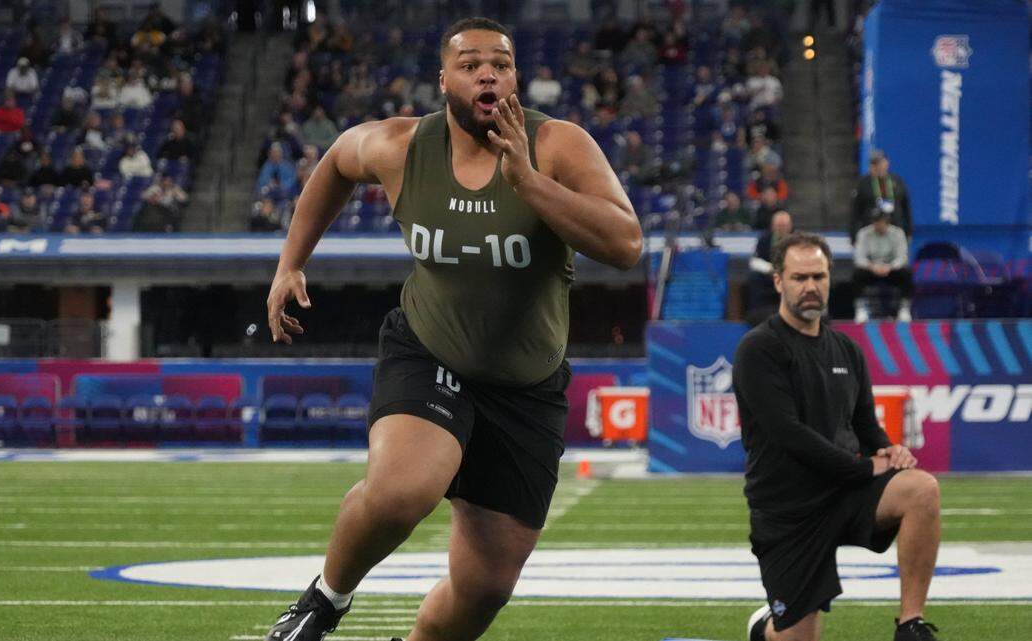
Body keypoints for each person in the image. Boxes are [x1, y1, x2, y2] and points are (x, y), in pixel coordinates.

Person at [262, 17, 641, 641]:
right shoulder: (402, 146)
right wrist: (290, 263)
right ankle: (323, 601)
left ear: (516, 78)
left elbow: (626, 245)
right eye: (471, 64)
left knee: (486, 587)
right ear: (444, 80)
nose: (488, 72)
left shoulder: (559, 146)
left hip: (526, 386)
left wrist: (528, 183)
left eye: (501, 62)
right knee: (400, 492)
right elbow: (335, 164)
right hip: (431, 349)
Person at [735, 231, 942, 641]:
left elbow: (864, 423)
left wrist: (888, 449)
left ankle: (910, 625)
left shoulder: (847, 350)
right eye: (799, 278)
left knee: (921, 490)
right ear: (778, 281)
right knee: (797, 638)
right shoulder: (759, 349)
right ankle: (765, 630)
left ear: (831, 278)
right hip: (788, 509)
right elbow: (788, 434)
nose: (811, 286)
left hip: (845, 493)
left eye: (819, 276)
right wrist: (865, 467)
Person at [853, 210, 913, 323]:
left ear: (887, 222)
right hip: (872, 269)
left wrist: (889, 267)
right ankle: (861, 308)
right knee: (857, 274)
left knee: (907, 273)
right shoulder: (864, 233)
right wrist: (872, 266)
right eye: (875, 222)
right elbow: (859, 258)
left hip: (891, 270)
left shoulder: (898, 233)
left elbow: (902, 257)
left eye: (880, 222)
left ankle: (904, 309)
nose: (878, 225)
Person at [851, 150, 912, 242]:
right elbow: (855, 212)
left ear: (887, 163)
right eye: (874, 164)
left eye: (880, 163)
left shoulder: (897, 181)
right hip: (871, 233)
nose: (877, 167)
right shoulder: (863, 184)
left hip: (895, 230)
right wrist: (854, 236)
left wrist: (909, 231)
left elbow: (906, 208)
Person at [747, 209, 792, 320]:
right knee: (754, 277)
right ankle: (757, 313)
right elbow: (755, 261)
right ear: (772, 226)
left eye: (784, 226)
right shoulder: (764, 240)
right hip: (769, 275)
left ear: (790, 226)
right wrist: (770, 269)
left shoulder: (796, 241)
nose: (781, 229)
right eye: (779, 226)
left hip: (790, 274)